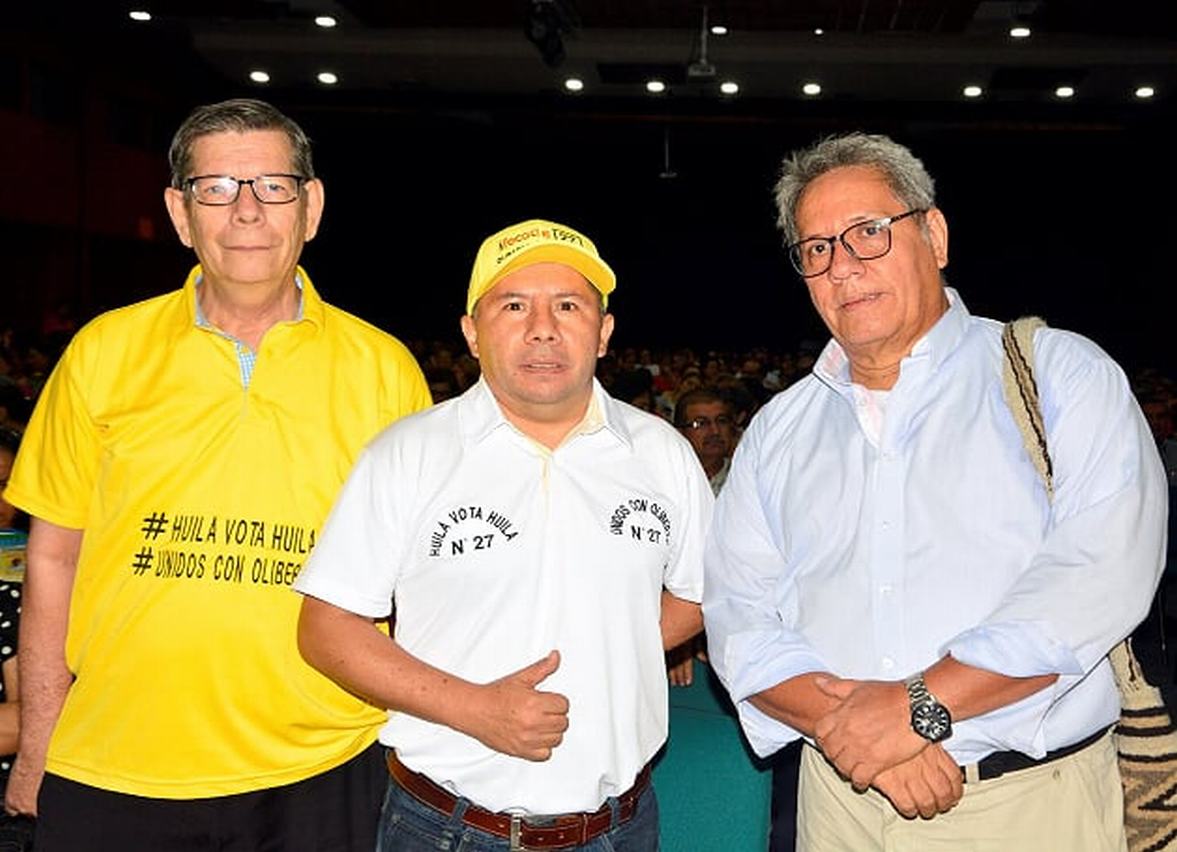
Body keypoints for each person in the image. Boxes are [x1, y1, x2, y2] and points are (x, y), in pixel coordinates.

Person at [703, 132, 1167, 851]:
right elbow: (737, 615)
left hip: (1021, 806)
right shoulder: (778, 430)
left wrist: (917, 708)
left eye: (867, 232)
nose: (842, 266)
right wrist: (850, 728)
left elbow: (1098, 575)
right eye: (816, 248)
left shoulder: (1056, 375)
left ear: (934, 234)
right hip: (839, 802)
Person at [3, 98, 431, 851]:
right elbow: (52, 554)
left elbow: (420, 576)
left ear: (312, 206)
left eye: (272, 186)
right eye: (216, 188)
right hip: (115, 764)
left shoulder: (384, 370)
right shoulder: (104, 352)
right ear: (178, 211)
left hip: (324, 762)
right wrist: (39, 740)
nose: (246, 213)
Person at [295, 218, 712, 852]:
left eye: (568, 306)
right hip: (448, 828)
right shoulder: (408, 454)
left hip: (620, 828)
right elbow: (325, 627)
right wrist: (474, 709)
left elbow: (698, 594)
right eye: (513, 304)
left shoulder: (661, 454)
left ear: (603, 333)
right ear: (471, 332)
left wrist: (609, 650)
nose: (542, 327)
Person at [674, 388, 736, 496]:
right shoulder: (669, 478)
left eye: (721, 421)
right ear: (680, 432)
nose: (715, 431)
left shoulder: (743, 475)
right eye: (701, 423)